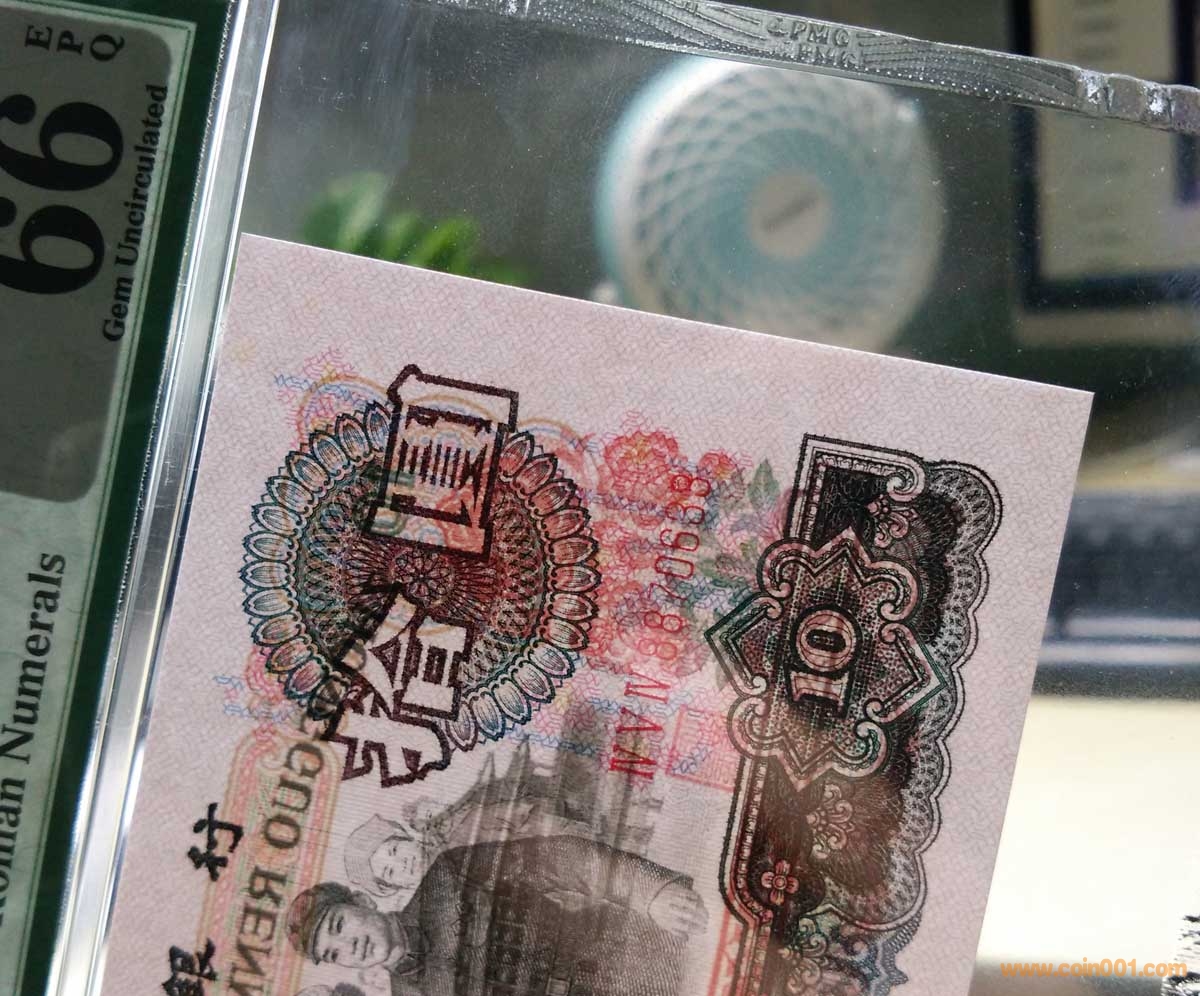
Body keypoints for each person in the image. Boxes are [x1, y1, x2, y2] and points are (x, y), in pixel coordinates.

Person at [288, 835, 708, 995]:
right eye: (334, 953)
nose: (350, 946)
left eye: (339, 925)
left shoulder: (447, 877)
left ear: (363, 901)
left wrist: (650, 892)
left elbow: (560, 858)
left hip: (635, 956)